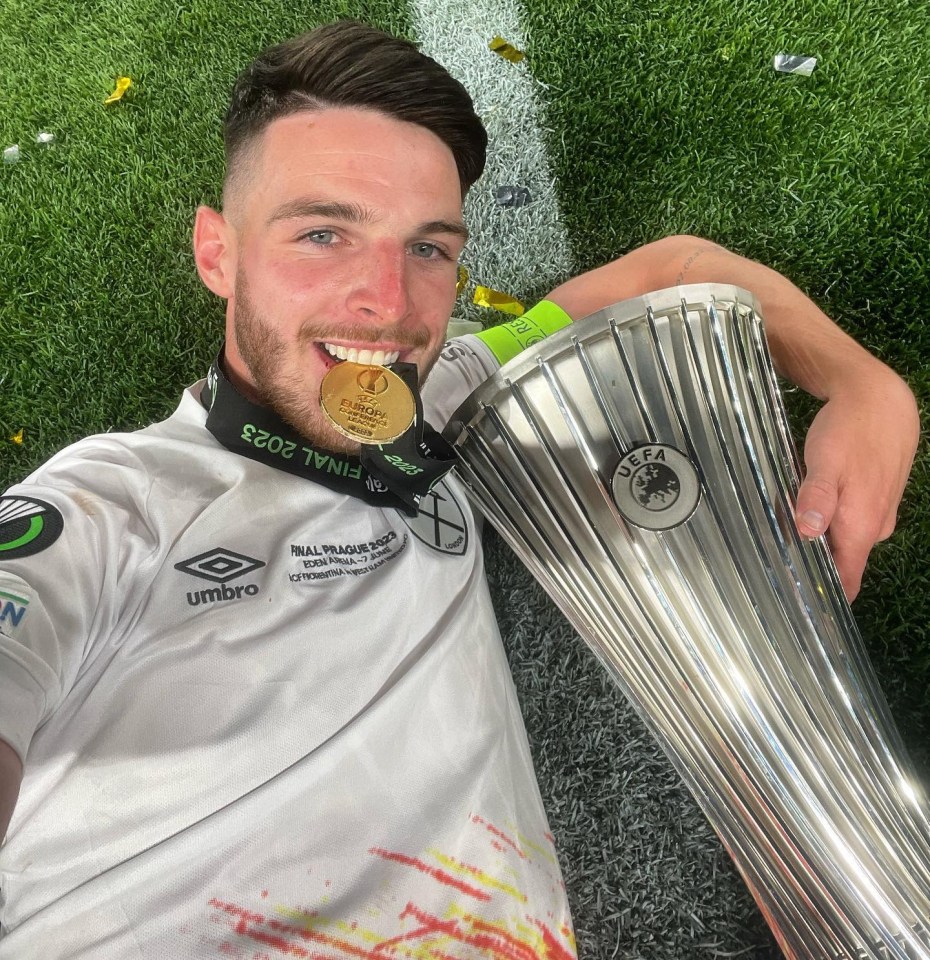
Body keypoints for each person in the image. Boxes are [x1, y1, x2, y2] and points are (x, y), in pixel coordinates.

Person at [0, 19, 918, 959]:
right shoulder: (109, 509)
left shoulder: (431, 401)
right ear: (217, 253)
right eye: (324, 233)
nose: (389, 301)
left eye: (429, 249)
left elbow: (676, 267)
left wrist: (864, 384)